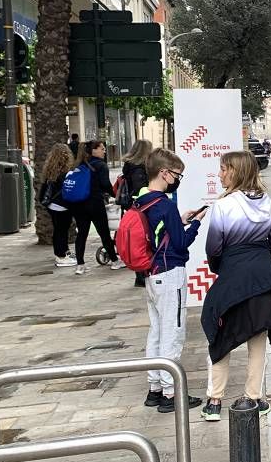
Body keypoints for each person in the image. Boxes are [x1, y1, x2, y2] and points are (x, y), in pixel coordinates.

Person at [200, 151, 271, 422]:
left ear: (235, 171)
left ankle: (214, 400)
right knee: (257, 339)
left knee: (220, 335)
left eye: (223, 169)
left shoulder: (223, 206)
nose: (220, 174)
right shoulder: (266, 203)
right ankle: (254, 398)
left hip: (234, 277)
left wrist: (228, 263)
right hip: (265, 277)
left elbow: (213, 248)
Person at [137, 148, 205, 413]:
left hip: (152, 276)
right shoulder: (165, 204)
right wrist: (196, 224)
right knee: (172, 333)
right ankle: (170, 392)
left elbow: (160, 234)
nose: (178, 179)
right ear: (164, 173)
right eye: (177, 175)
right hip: (170, 274)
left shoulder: (141, 200)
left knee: (155, 332)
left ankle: (154, 388)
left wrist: (180, 220)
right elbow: (180, 244)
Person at [67, 140, 124, 274]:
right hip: (94, 203)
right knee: (103, 233)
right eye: (102, 149)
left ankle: (80, 265)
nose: (104, 151)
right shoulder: (100, 165)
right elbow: (105, 185)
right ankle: (115, 261)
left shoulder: (79, 165)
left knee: (82, 233)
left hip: (78, 204)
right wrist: (116, 195)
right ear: (93, 150)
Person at [121, 139, 154, 287]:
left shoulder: (129, 167)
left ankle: (140, 274)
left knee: (137, 240)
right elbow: (140, 189)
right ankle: (142, 274)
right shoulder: (139, 169)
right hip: (141, 207)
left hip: (132, 208)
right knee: (144, 239)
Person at [38, 143, 76, 267]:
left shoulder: (50, 171)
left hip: (52, 205)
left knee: (58, 230)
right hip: (62, 205)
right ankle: (61, 256)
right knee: (62, 230)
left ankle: (63, 252)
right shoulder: (65, 173)